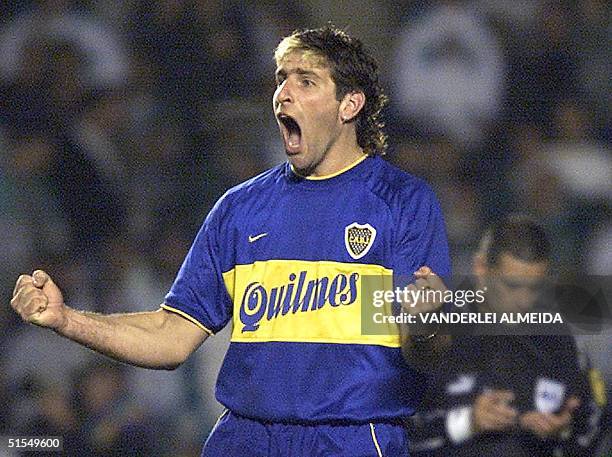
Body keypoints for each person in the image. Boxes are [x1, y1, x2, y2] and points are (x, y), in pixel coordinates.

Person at [10, 26, 451, 456]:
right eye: (281, 79)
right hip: (246, 438)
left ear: (349, 104)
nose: (284, 92)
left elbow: (426, 345)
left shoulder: (400, 202)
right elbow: (171, 336)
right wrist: (65, 319)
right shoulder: (240, 209)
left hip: (349, 438)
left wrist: (430, 322)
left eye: (306, 81)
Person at [405, 215, 605, 456]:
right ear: (481, 268)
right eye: (511, 286)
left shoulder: (559, 341)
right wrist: (467, 422)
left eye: (534, 287)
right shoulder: (436, 332)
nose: (524, 300)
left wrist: (562, 430)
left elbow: (594, 425)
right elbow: (397, 434)